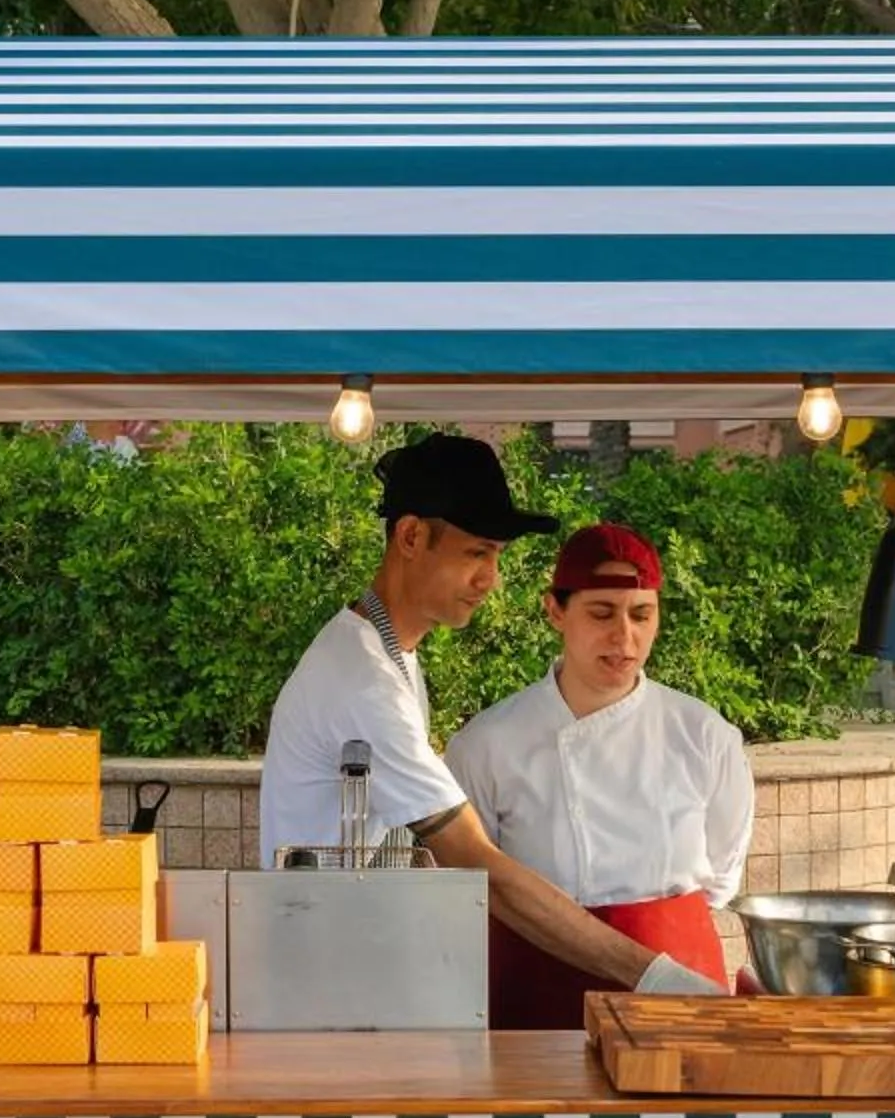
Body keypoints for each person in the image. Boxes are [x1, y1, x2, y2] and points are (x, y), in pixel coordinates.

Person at [258, 436, 724, 999]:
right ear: (410, 536)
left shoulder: (391, 654)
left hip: (353, 957)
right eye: (476, 553)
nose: (491, 579)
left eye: (497, 557)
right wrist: (659, 977)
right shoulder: (362, 681)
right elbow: (478, 865)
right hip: (328, 974)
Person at [443, 520, 757, 1028]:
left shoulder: (703, 734)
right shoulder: (487, 744)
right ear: (555, 611)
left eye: (641, 614)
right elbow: (472, 884)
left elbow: (721, 874)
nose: (624, 636)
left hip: (678, 988)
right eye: (602, 612)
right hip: (536, 987)